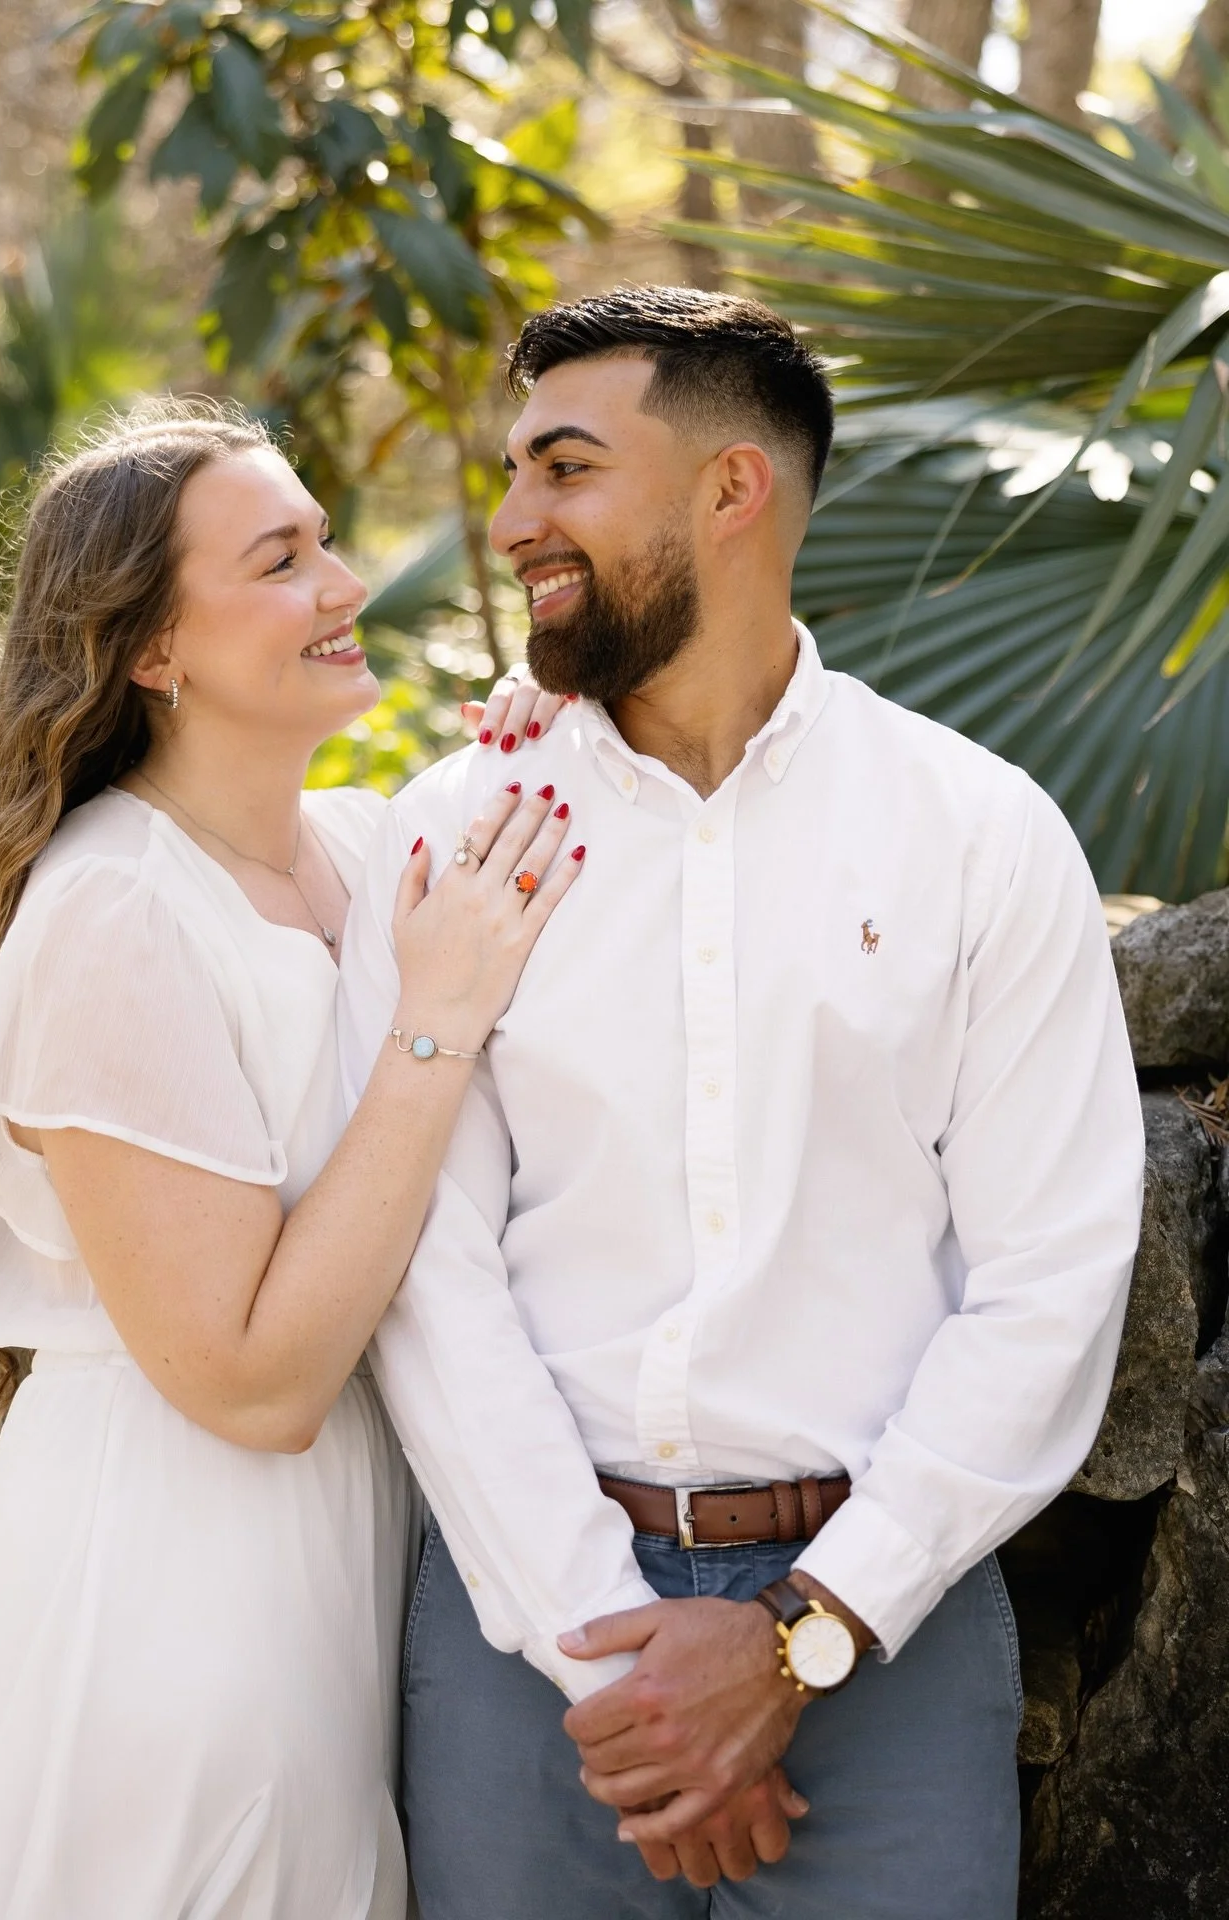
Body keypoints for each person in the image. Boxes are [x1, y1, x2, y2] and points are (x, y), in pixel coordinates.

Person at [335, 286, 1147, 1920]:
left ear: (730, 490)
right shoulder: (458, 831)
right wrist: (606, 1660)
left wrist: (804, 1631)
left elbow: (1054, 1279)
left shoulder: (978, 838)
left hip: (888, 1635)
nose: (509, 523)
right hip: (523, 1642)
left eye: (564, 467)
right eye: (512, 473)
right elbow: (423, 1263)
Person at [0, 398, 581, 1919]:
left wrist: (559, 745)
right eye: (282, 559)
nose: (345, 586)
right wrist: (435, 1030)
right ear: (153, 650)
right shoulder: (116, 914)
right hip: (182, 1576)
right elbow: (253, 1380)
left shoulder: (353, 846)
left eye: (327, 540)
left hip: (351, 1558)